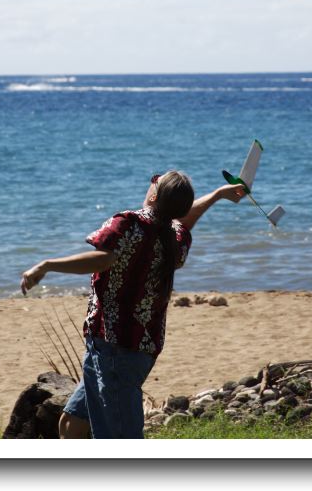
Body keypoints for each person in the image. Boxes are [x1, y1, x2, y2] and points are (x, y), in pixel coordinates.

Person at [19, 170, 246, 439]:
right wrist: (218, 195)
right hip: (126, 348)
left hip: (117, 349)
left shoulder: (127, 224)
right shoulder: (175, 240)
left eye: (155, 181)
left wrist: (46, 266)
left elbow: (102, 259)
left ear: (153, 195)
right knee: (71, 425)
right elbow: (186, 218)